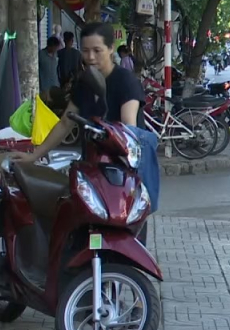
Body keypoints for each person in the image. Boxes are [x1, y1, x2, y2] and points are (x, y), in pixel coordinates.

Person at [10, 22, 161, 231]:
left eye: (97, 51)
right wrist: (34, 156)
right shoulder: (85, 82)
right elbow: (65, 122)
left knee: (123, 237)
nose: (90, 57)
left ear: (110, 49)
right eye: (86, 50)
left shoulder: (125, 81)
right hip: (92, 170)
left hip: (123, 176)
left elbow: (128, 127)